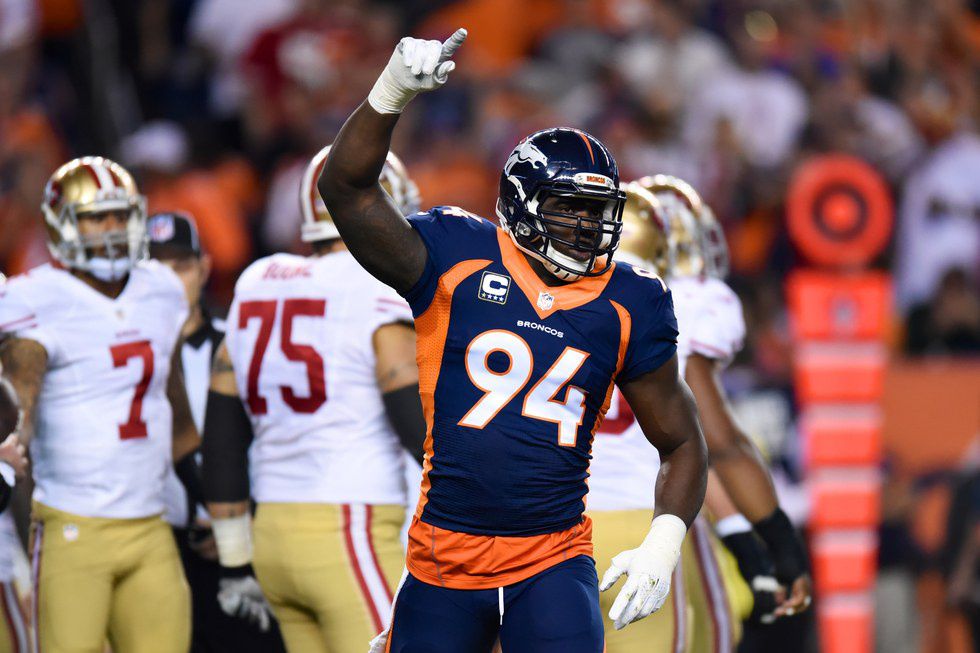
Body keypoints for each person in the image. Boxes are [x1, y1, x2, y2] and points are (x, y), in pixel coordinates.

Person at [319, 31, 708, 652]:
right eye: (570, 208)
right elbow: (345, 189)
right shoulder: (457, 254)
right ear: (524, 206)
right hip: (444, 556)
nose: (588, 226)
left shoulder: (631, 299)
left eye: (597, 211)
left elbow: (682, 439)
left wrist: (663, 544)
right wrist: (390, 93)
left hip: (553, 558)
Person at [203, 145, 427, 652]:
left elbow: (222, 431)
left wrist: (235, 559)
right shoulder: (376, 287)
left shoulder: (258, 282)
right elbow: (415, 423)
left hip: (272, 533)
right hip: (348, 525)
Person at [0, 157, 197, 652]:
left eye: (119, 215)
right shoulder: (35, 299)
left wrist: (209, 501)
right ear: (62, 224)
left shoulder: (161, 288)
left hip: (151, 524)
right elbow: (18, 412)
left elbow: (175, 407)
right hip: (73, 526)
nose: (110, 228)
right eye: (94, 217)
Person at [637, 175, 812, 629]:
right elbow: (715, 443)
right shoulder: (687, 303)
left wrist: (741, 536)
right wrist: (777, 541)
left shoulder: (577, 298)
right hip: (648, 519)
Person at [148, 211, 285, 652]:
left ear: (205, 268)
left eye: (180, 266)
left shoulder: (240, 342)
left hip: (246, 536)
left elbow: (275, 437)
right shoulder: (123, 353)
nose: (170, 282)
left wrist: (241, 517)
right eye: (156, 268)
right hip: (158, 543)